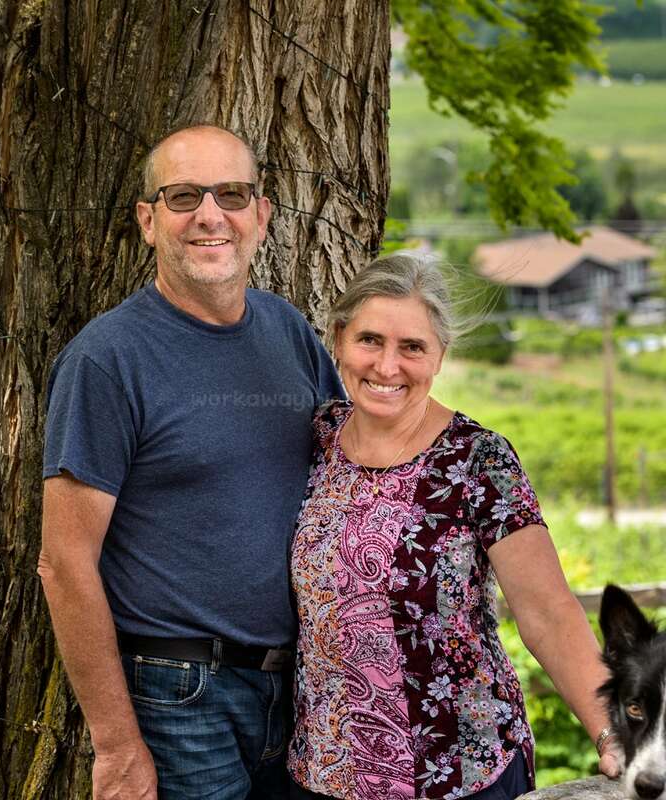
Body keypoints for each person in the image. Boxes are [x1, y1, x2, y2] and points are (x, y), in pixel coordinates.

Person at [38, 124, 342, 800]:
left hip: (302, 694)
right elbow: (64, 563)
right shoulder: (107, 360)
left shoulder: (287, 331)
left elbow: (351, 481)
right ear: (149, 221)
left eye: (231, 194)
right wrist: (116, 746)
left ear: (261, 216)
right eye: (183, 197)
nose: (211, 215)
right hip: (178, 698)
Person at [286, 253, 622, 800]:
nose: (387, 366)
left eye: (412, 347)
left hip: (460, 774)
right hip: (326, 773)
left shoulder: (478, 459)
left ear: (440, 354)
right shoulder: (316, 439)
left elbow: (547, 611)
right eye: (370, 340)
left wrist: (611, 731)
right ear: (339, 338)